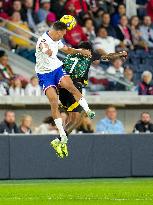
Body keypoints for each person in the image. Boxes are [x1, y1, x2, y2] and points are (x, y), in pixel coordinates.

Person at [35, 21, 95, 158]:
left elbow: (67, 49)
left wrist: (80, 51)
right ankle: (62, 133)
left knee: (71, 87)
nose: (64, 35)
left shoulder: (57, 39)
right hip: (45, 75)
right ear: (57, 32)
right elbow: (44, 47)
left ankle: (88, 110)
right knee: (53, 101)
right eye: (63, 33)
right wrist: (47, 51)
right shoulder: (43, 41)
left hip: (56, 69)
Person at [59, 42, 127, 136]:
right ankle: (61, 139)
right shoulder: (89, 54)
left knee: (72, 115)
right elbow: (109, 57)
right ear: (89, 50)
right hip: (75, 86)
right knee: (79, 116)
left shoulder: (70, 55)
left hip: (62, 86)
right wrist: (121, 53)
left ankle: (62, 135)